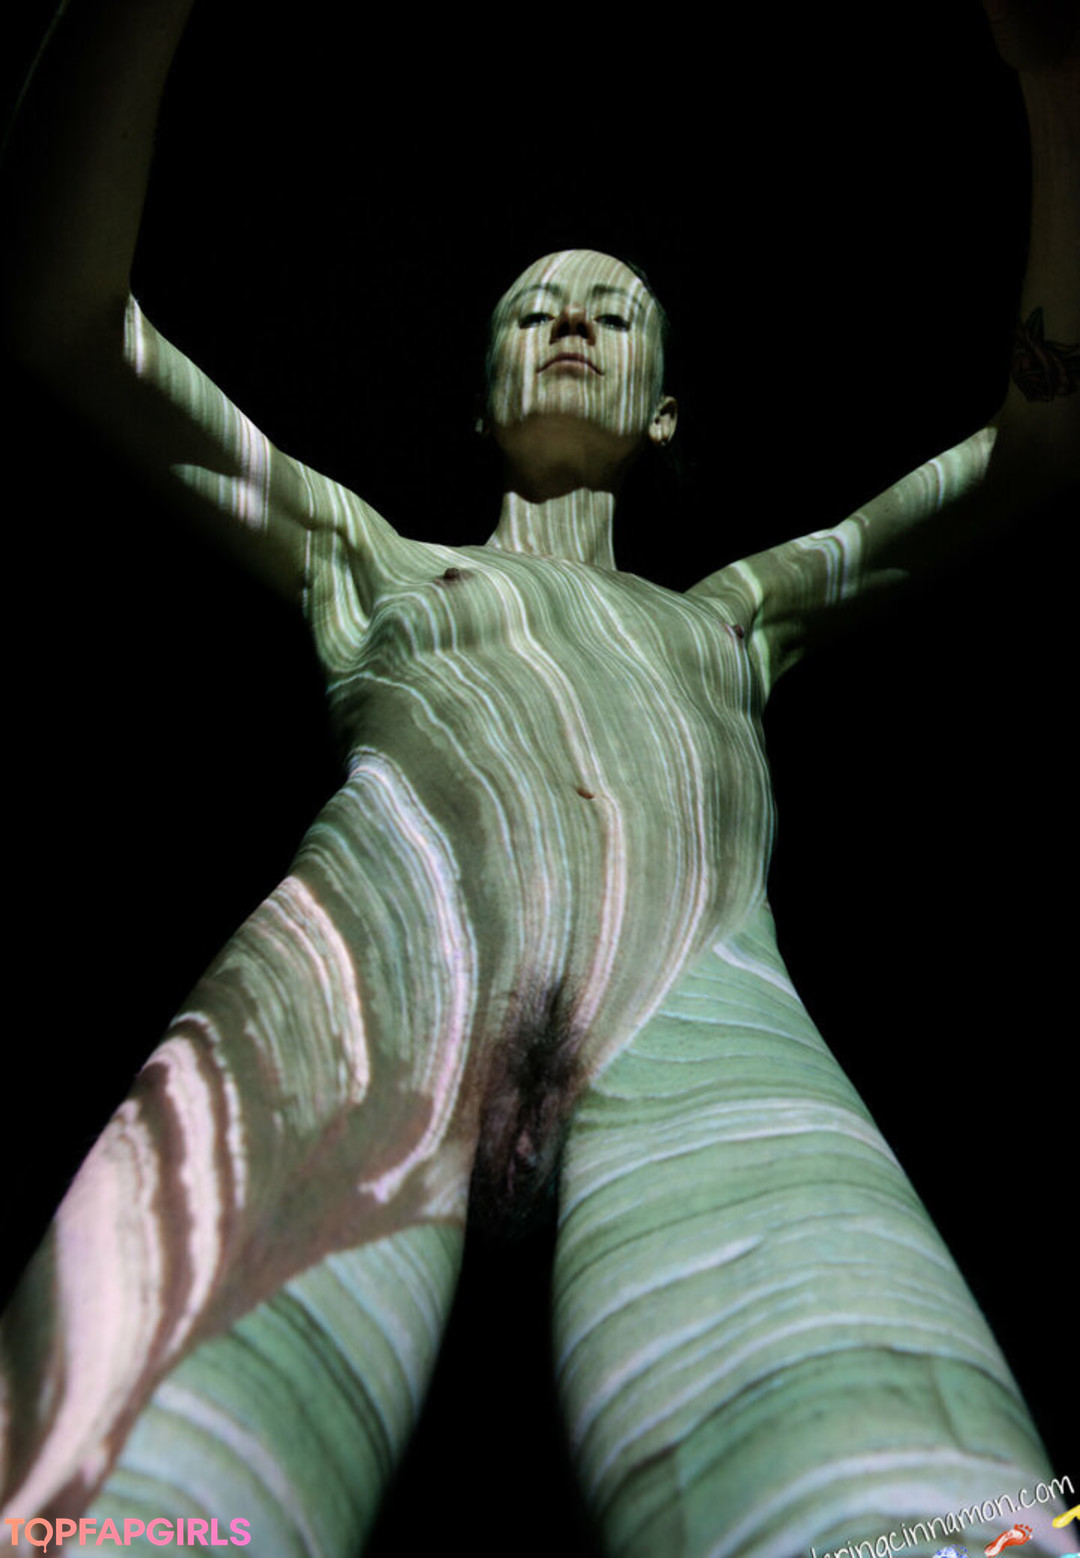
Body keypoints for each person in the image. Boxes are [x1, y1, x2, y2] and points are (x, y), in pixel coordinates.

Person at [1, 2, 1077, 1556]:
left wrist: (1058, 85)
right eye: (534, 309)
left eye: (613, 312)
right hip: (374, 961)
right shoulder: (369, 555)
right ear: (480, 389)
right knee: (108, 1501)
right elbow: (66, 319)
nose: (570, 321)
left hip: (709, 1021)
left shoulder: (737, 615)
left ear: (665, 409)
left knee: (939, 1517)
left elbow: (1037, 450)